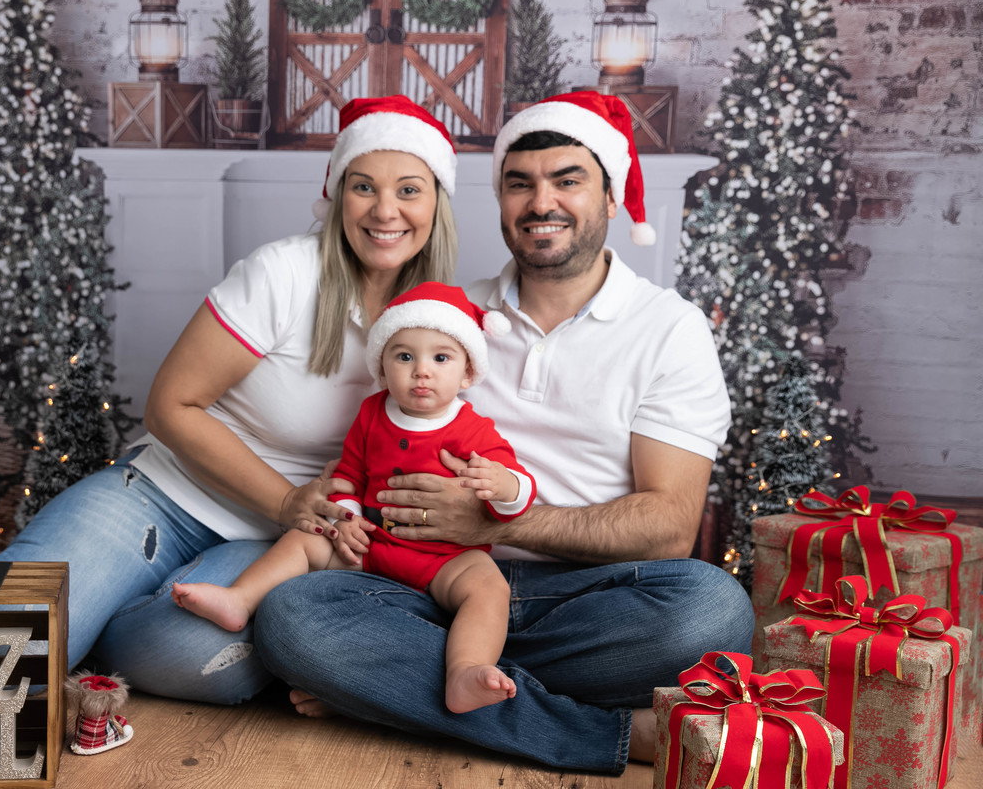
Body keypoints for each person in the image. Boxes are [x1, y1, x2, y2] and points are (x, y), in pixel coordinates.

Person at [252, 91, 755, 772]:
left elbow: (669, 528)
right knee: (292, 618)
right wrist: (347, 513)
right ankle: (602, 729)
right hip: (425, 587)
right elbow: (373, 445)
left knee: (713, 613)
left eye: (568, 180)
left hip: (585, 601)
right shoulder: (449, 319)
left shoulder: (669, 329)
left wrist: (500, 523)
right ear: (500, 201)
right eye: (520, 184)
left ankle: (394, 688)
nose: (541, 202)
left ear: (612, 198)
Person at [0, 95, 462, 703]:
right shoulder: (283, 272)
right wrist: (288, 499)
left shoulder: (439, 320)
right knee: (3, 648)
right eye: (363, 186)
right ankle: (76, 609)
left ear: (436, 204)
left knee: (207, 660)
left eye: (409, 190)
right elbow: (169, 406)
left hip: (270, 544)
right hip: (165, 495)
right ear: (338, 193)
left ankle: (91, 625)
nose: (385, 210)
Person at [173, 281, 536, 714]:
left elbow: (518, 492)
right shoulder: (372, 413)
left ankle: (465, 670)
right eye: (405, 357)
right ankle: (240, 599)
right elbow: (348, 475)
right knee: (305, 538)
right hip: (372, 544)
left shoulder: (473, 429)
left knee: (489, 587)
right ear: (382, 367)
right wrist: (345, 520)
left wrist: (505, 485)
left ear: (468, 374)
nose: (422, 370)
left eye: (441, 358)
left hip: (444, 558)